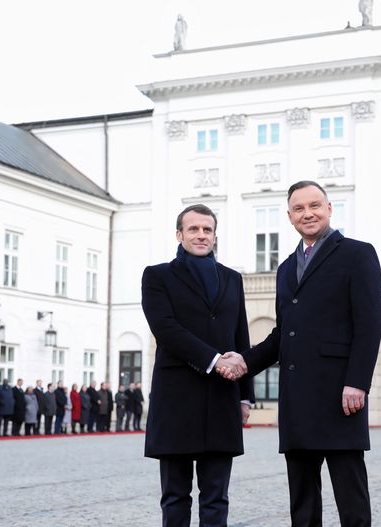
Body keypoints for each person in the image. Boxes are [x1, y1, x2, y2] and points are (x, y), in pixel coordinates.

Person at [233, 181, 381, 527]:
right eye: (299, 209)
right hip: (297, 398)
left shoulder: (357, 254)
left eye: (315, 205)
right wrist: (244, 362)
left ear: (329, 208)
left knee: (351, 497)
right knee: (302, 501)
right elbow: (282, 334)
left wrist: (357, 382)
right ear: (289, 217)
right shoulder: (286, 268)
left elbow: (369, 324)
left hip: (340, 396)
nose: (308, 213)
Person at [140, 203, 255, 527]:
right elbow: (166, 329)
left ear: (215, 235)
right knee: (175, 496)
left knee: (217, 497)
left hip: (222, 399)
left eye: (207, 229)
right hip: (176, 398)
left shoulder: (232, 279)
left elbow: (240, 336)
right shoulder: (157, 275)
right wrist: (215, 360)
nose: (201, 235)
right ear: (179, 234)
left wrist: (245, 396)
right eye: (193, 229)